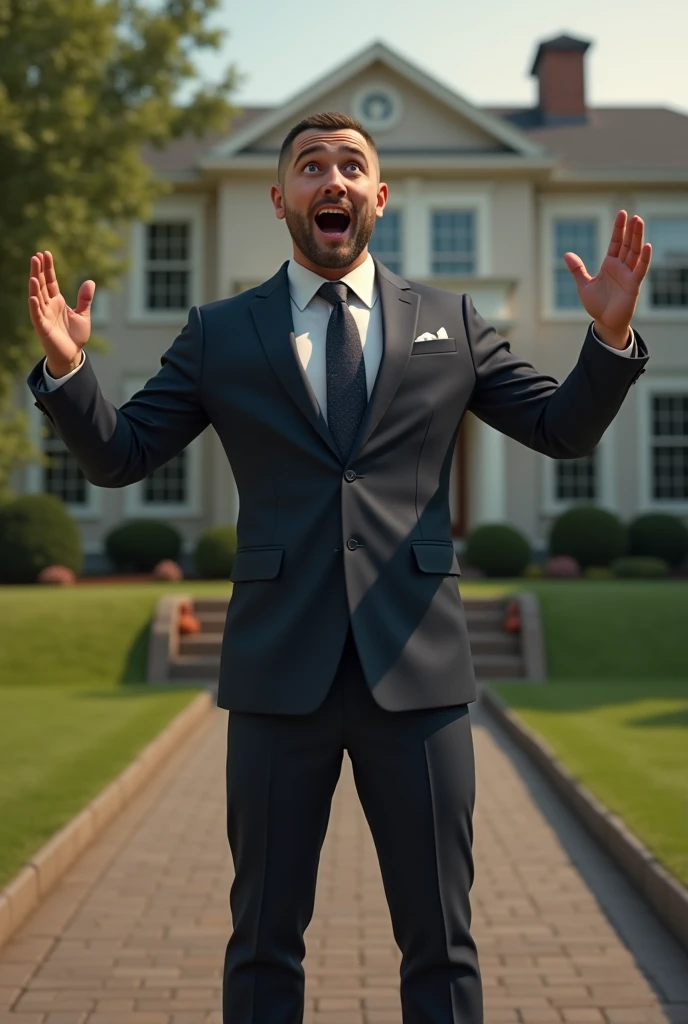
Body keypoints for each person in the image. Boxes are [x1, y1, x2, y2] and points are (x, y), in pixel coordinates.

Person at [27, 111, 651, 1023]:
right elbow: (122, 454)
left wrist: (605, 344)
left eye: (352, 166)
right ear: (280, 199)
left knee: (441, 941)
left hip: (422, 673)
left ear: (379, 198)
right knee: (263, 943)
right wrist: (72, 370)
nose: (333, 180)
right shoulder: (220, 334)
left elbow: (559, 430)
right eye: (311, 166)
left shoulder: (452, 321)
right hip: (280, 677)